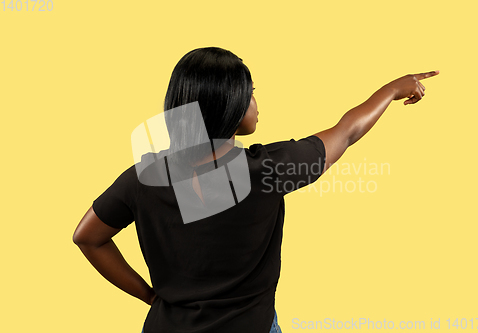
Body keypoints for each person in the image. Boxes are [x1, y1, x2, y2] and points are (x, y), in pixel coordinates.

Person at [72, 46, 439, 333]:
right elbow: (346, 132)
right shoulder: (269, 169)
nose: (255, 104)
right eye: (250, 94)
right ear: (229, 103)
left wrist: (149, 296)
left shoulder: (144, 177)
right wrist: (392, 89)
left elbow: (87, 236)